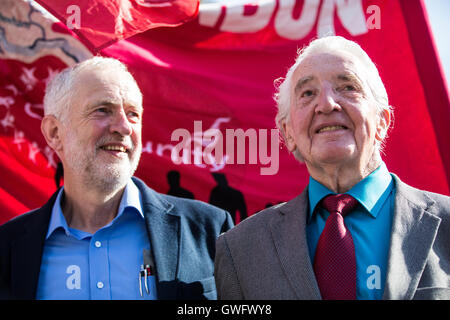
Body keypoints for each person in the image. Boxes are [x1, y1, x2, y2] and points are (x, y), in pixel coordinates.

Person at [214, 36, 450, 300]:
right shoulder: (240, 249)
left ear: (383, 121)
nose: (326, 104)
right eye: (307, 93)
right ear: (288, 133)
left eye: (347, 87)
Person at [0, 56, 233, 300]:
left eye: (133, 114)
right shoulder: (8, 249)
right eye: (102, 110)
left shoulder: (209, 230)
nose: (123, 127)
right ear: (55, 132)